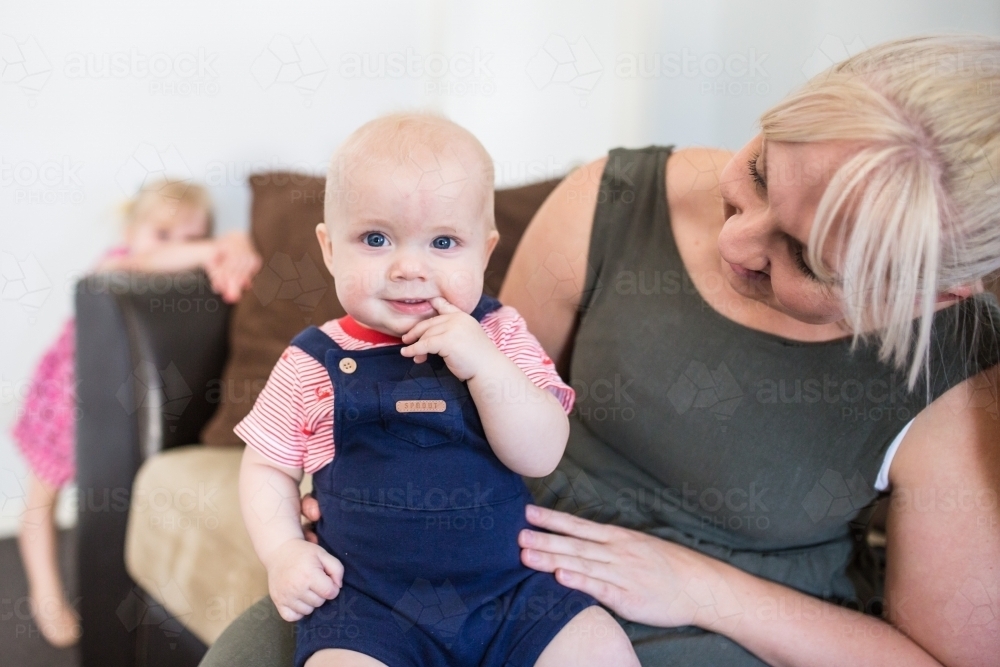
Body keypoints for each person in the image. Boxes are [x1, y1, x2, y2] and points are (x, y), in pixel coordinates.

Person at [202, 34, 1000, 666]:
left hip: (703, 627)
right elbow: (477, 402)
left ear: (929, 296)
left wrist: (702, 589)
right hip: (485, 560)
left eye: (807, 255)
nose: (736, 239)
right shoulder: (611, 200)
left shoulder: (958, 378)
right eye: (758, 172)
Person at [235, 113, 639, 667]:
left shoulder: (499, 335)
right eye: (375, 239)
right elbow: (266, 467)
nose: (408, 267)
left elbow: (541, 455)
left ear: (485, 252)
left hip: (510, 593)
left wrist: (485, 366)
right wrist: (282, 552)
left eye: (444, 241)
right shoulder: (313, 362)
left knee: (600, 649)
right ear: (330, 251)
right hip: (370, 607)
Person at [11, 179, 262, 648]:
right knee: (41, 503)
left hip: (107, 416)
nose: (181, 250)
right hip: (60, 405)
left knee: (96, 508)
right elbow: (148, 260)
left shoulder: (178, 288)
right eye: (164, 234)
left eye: (192, 237)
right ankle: (45, 593)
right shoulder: (118, 264)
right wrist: (220, 245)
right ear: (133, 229)